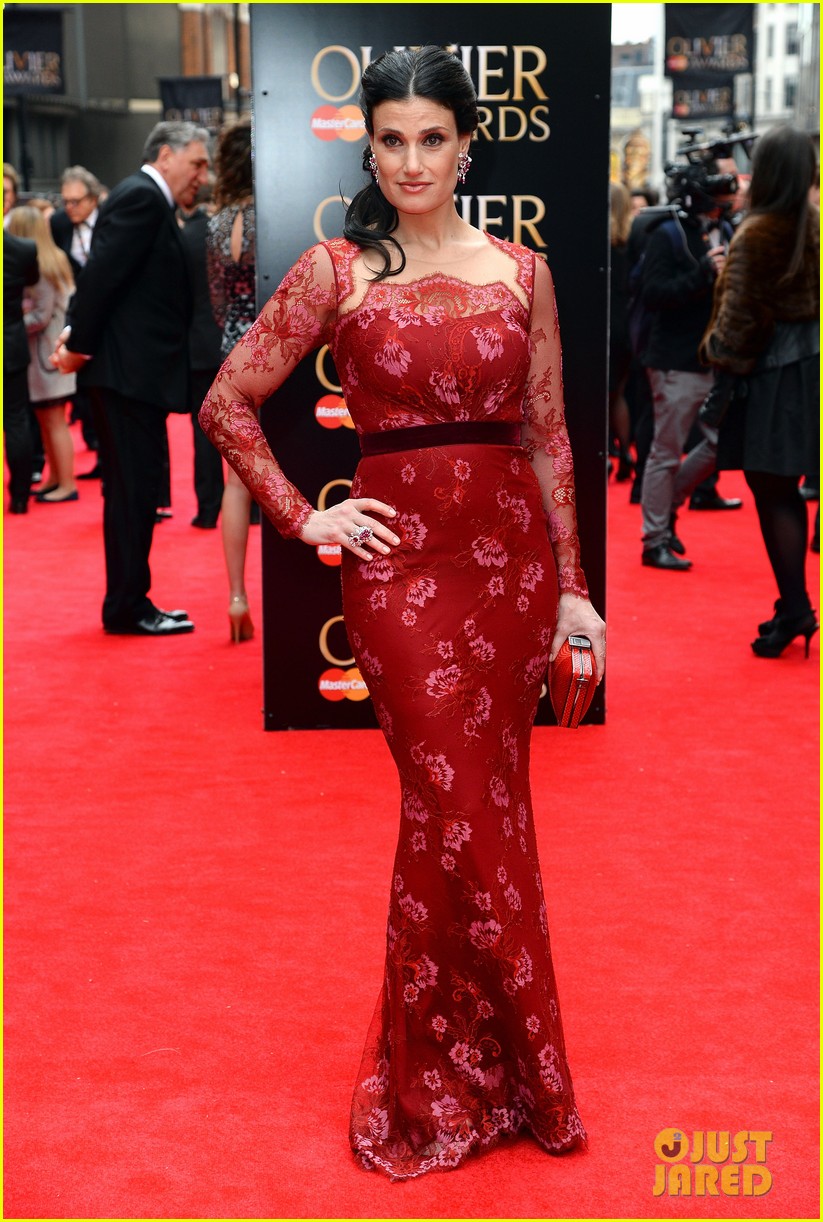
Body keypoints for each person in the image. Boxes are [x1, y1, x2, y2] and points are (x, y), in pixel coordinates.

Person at [201, 46, 605, 1180]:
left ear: (466, 143)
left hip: (511, 575)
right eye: (392, 139)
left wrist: (572, 585)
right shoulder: (336, 271)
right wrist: (302, 518)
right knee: (459, 806)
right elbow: (228, 400)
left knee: (468, 821)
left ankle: (474, 1060)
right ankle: (480, 1071)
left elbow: (548, 436)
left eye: (434, 137)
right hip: (399, 586)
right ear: (367, 147)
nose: (413, 159)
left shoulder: (523, 272)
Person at [52, 121, 210, 636]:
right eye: (197, 163)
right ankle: (127, 606)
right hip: (126, 377)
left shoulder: (144, 198)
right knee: (133, 493)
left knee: (134, 492)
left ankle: (130, 601)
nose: (203, 176)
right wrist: (76, 346)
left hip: (132, 376)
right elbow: (101, 276)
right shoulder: (141, 197)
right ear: (166, 155)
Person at [700, 125, 819, 658]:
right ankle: (793, 605)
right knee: (788, 491)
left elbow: (739, 327)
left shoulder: (759, 231)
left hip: (772, 379)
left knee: (773, 492)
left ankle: (795, 607)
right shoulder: (814, 226)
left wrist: (717, 353)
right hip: (809, 372)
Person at [638, 168, 738, 570]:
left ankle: (667, 508)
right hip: (674, 361)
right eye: (717, 195)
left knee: (720, 443)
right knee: (666, 451)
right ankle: (654, 539)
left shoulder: (728, 231)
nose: (725, 203)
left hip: (715, 358)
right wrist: (703, 273)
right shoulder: (667, 234)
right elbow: (652, 294)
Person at [206, 118, 257, 642]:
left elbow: (219, 302)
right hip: (272, 357)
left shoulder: (219, 224)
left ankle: (237, 594)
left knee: (236, 485)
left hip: (230, 356)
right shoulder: (275, 214)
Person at [6, 206, 77, 502]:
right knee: (47, 420)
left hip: (47, 355)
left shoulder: (45, 267)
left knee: (54, 420)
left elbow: (40, 316)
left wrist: (11, 321)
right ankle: (55, 477)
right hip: (43, 355)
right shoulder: (49, 260)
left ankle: (67, 483)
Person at [51, 167, 106, 473]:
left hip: (107, 316)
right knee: (83, 391)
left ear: (93, 198)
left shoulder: (109, 220)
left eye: (77, 201)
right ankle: (95, 445)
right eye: (66, 202)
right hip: (74, 311)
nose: (70, 208)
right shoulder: (59, 224)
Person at [177, 187, 225, 531]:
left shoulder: (186, 235)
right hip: (236, 339)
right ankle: (253, 507)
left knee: (203, 431)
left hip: (197, 342)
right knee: (249, 428)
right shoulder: (228, 231)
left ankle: (208, 509)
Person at [3, 227, 39, 513]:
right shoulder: (23, 248)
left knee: (16, 420)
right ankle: (20, 495)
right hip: (11, 345)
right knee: (16, 419)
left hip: (12, 346)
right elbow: (33, 279)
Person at [608, 181, 634, 482]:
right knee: (619, 395)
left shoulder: (597, 245)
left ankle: (605, 453)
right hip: (628, 326)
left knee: (602, 395)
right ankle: (626, 451)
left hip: (607, 326)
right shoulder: (631, 243)